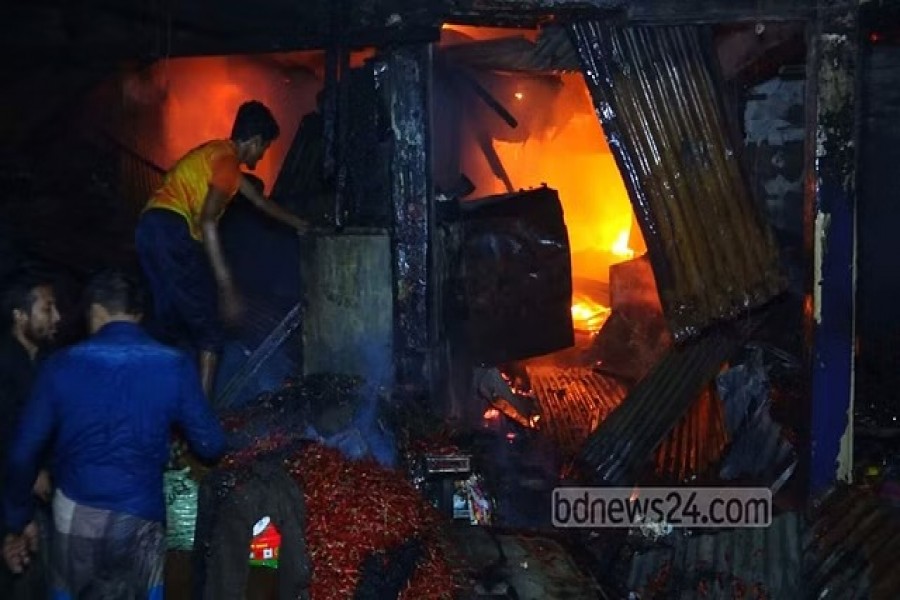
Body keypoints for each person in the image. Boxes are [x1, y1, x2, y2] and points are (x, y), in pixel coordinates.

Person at [1, 269, 226, 599]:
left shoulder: (60, 365)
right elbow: (211, 445)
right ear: (139, 314)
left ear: (96, 311)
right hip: (141, 518)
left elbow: (23, 453)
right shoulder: (174, 364)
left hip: (76, 514)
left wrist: (17, 519)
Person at [135, 100, 309, 396]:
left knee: (166, 324)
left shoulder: (218, 155)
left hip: (150, 227)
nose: (263, 154)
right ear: (254, 141)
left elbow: (260, 202)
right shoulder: (227, 164)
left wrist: (302, 225)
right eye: (264, 147)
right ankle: (201, 425)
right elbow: (207, 221)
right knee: (210, 335)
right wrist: (227, 286)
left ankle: (152, 400)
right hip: (173, 231)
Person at [0, 271, 61, 599]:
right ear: (20, 315)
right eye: (47, 308)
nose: (57, 316)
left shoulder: (51, 362)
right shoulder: (5, 364)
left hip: (42, 502)